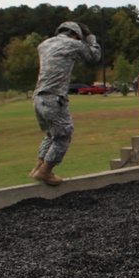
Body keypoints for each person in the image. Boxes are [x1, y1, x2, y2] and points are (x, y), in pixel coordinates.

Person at [30, 21, 102, 186]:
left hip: (38, 97)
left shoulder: (44, 45)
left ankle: (38, 167)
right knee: (64, 135)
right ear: (76, 34)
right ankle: (45, 171)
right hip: (54, 97)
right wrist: (90, 38)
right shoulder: (73, 44)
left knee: (51, 134)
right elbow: (94, 56)